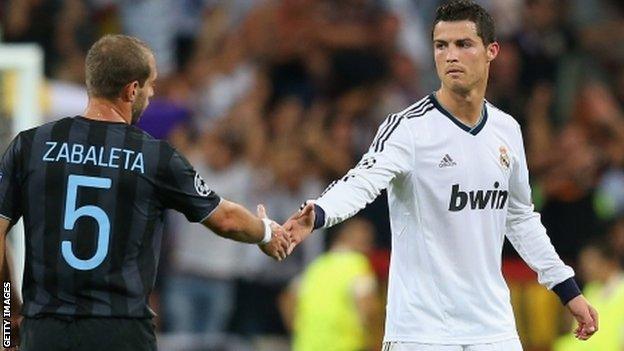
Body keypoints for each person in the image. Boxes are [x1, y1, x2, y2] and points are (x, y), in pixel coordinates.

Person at [284, 1, 598, 350]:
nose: (450, 55)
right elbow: (362, 180)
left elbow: (520, 217)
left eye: (463, 44)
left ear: (491, 51)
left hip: (493, 328)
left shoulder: (507, 130)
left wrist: (567, 288)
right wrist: (320, 212)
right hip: (423, 331)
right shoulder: (408, 129)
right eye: (441, 45)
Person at [0, 34, 290, 351]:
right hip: (121, 331)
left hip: (47, 331)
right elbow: (227, 219)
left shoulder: (30, 146)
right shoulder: (155, 157)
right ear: (132, 89)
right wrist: (265, 233)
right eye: (150, 85)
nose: (152, 94)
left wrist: (7, 316)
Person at [279, 218, 384, 351]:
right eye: (366, 241)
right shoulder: (357, 264)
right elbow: (368, 309)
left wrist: (299, 328)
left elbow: (287, 299)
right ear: (345, 237)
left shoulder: (317, 266)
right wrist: (376, 339)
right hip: (346, 346)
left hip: (306, 346)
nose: (369, 247)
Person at [553, 239, 624, 351]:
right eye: (584, 263)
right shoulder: (590, 289)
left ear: (609, 262)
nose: (586, 269)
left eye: (591, 263)